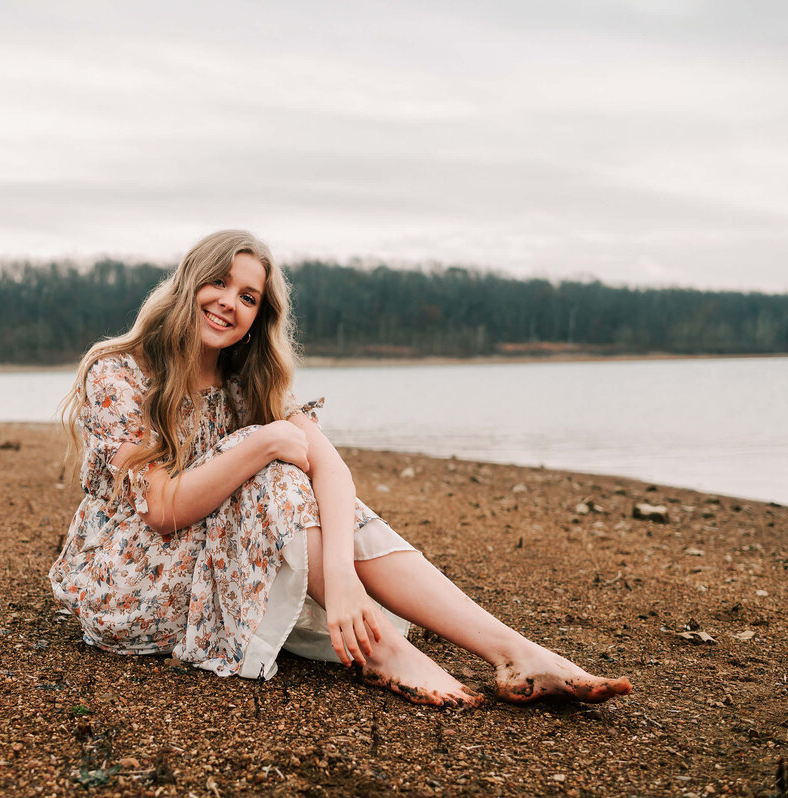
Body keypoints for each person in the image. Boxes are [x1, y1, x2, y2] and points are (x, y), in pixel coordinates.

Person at [49, 230, 632, 707]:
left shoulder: (247, 381)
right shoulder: (121, 373)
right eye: (219, 282)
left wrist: (345, 579)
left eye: (249, 297)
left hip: (217, 557)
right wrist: (266, 442)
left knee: (295, 474)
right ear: (188, 283)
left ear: (258, 316)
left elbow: (333, 474)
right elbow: (159, 510)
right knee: (273, 465)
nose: (230, 302)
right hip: (134, 584)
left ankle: (512, 650)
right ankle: (388, 655)